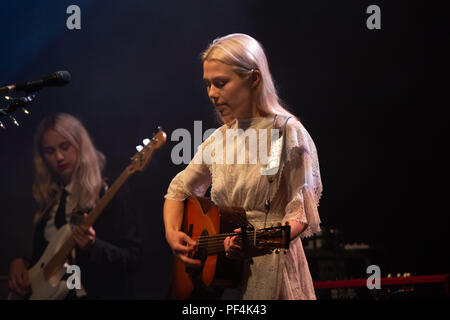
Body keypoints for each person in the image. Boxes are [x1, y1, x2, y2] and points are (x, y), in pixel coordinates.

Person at [163, 33, 323, 299]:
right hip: (227, 279)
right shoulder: (218, 139)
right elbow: (177, 190)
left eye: (221, 83)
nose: (212, 94)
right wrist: (171, 234)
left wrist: (258, 242)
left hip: (275, 272)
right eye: (208, 85)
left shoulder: (284, 133)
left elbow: (300, 218)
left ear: (254, 78)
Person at [8, 113, 142, 299]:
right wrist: (20, 263)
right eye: (49, 151)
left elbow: (133, 259)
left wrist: (94, 247)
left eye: (65, 146)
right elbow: (46, 263)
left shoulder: (108, 194)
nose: (59, 157)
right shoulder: (51, 204)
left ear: (81, 145)